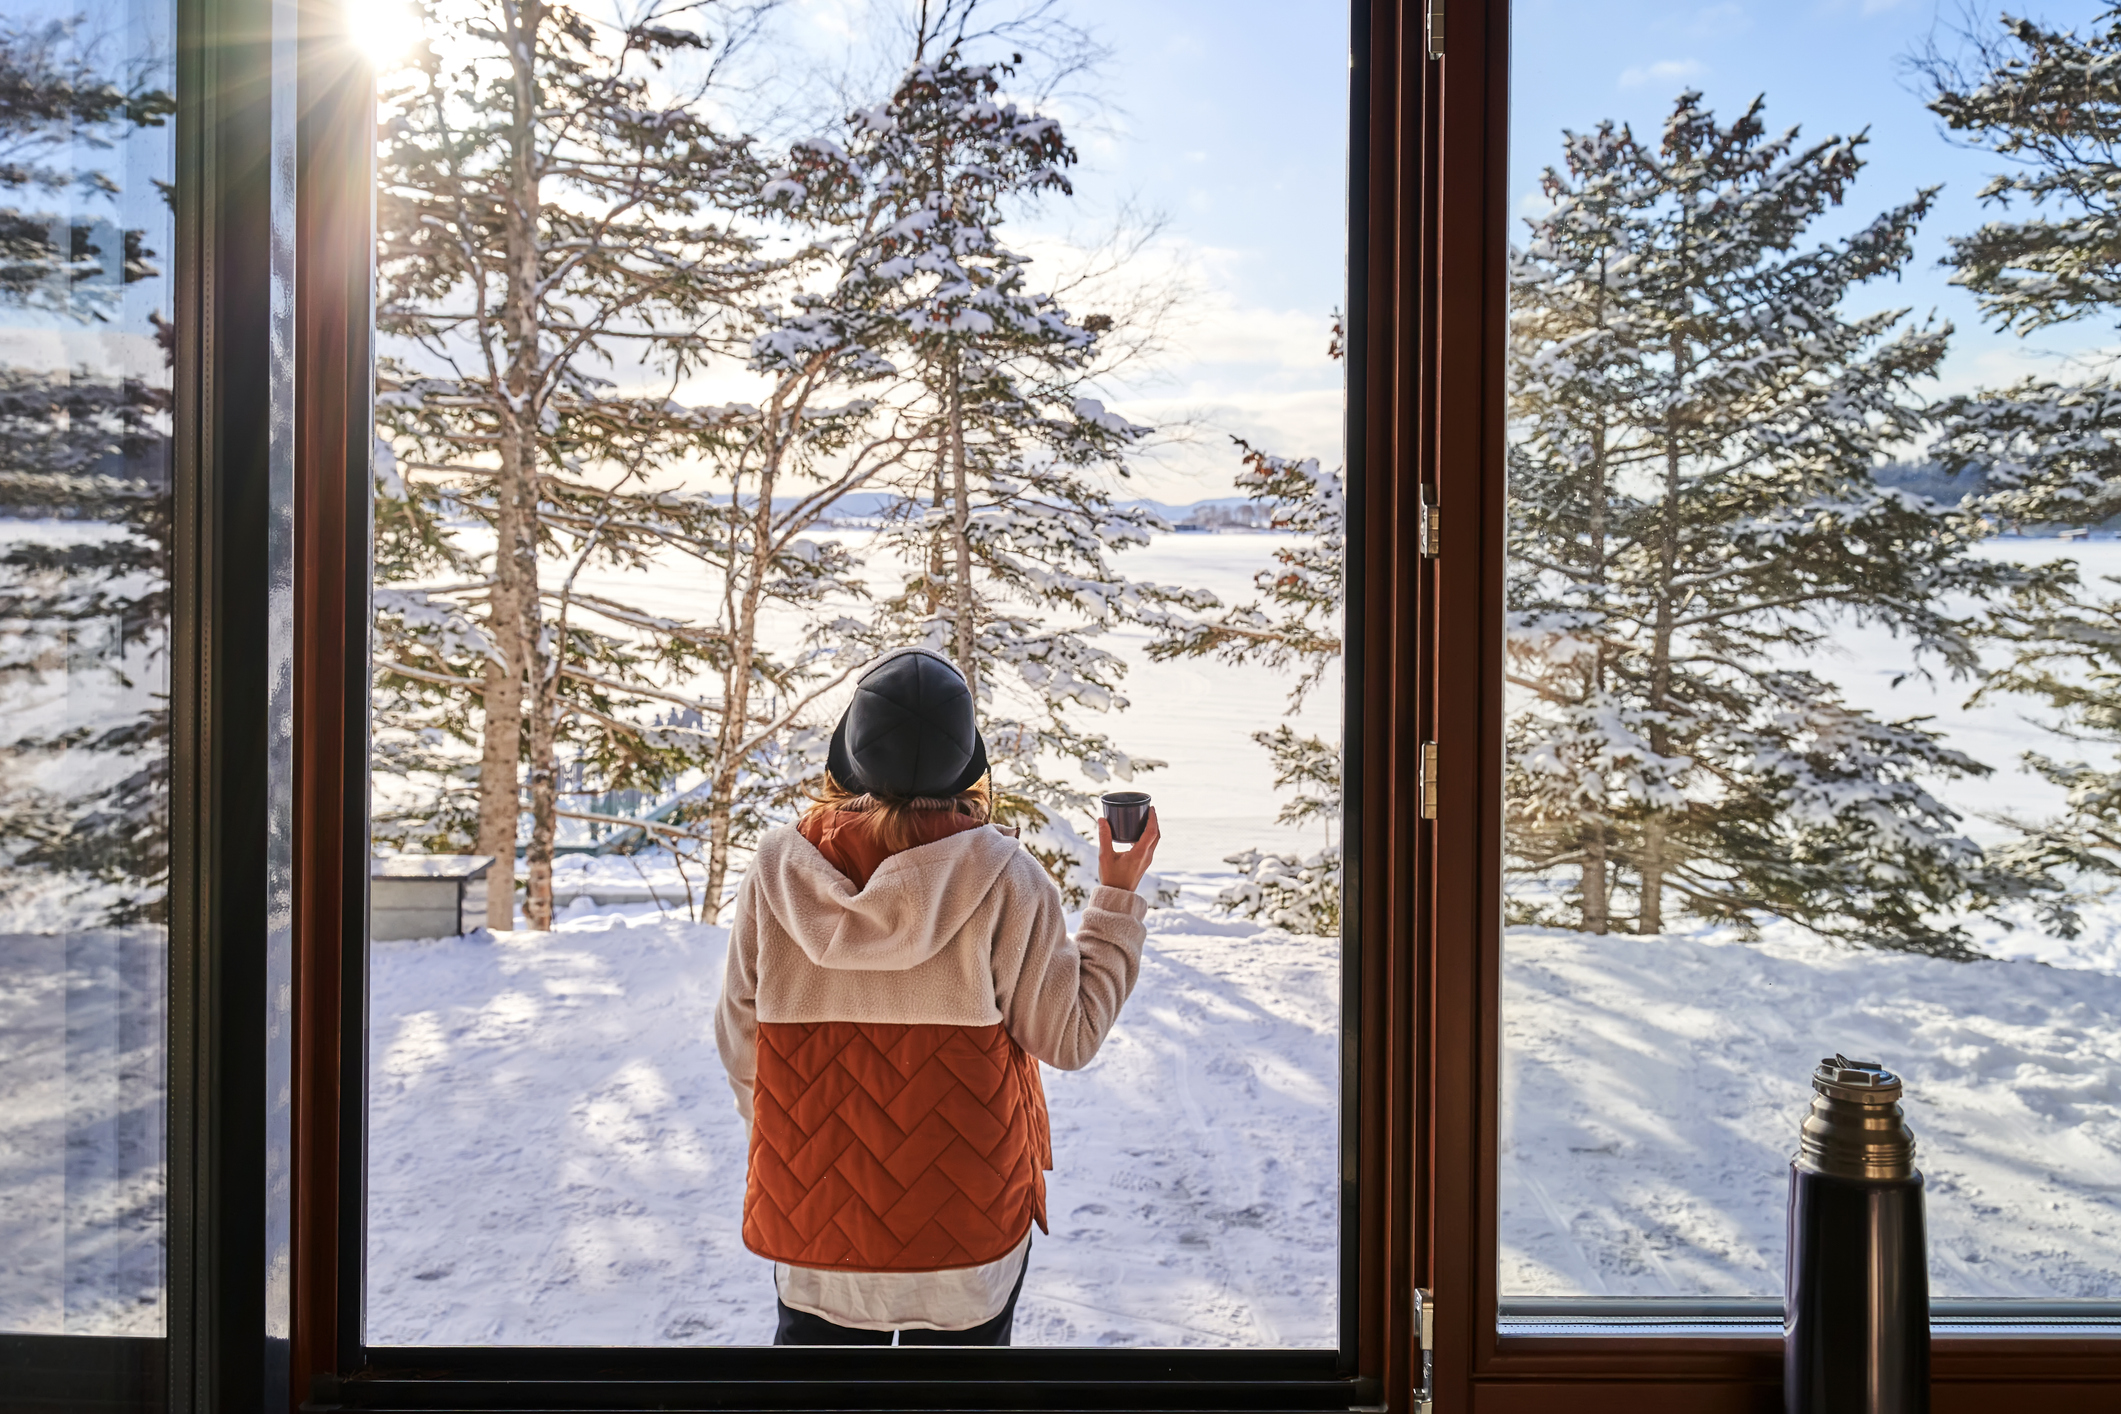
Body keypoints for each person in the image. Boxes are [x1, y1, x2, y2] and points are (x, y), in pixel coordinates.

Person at [715, 646, 1162, 1345]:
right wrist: (1117, 896)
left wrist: (805, 1144)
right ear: (967, 765)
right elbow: (1068, 1038)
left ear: (849, 757)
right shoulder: (1006, 878)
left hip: (818, 1227)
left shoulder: (778, 871)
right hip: (966, 1234)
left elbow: (742, 1042)